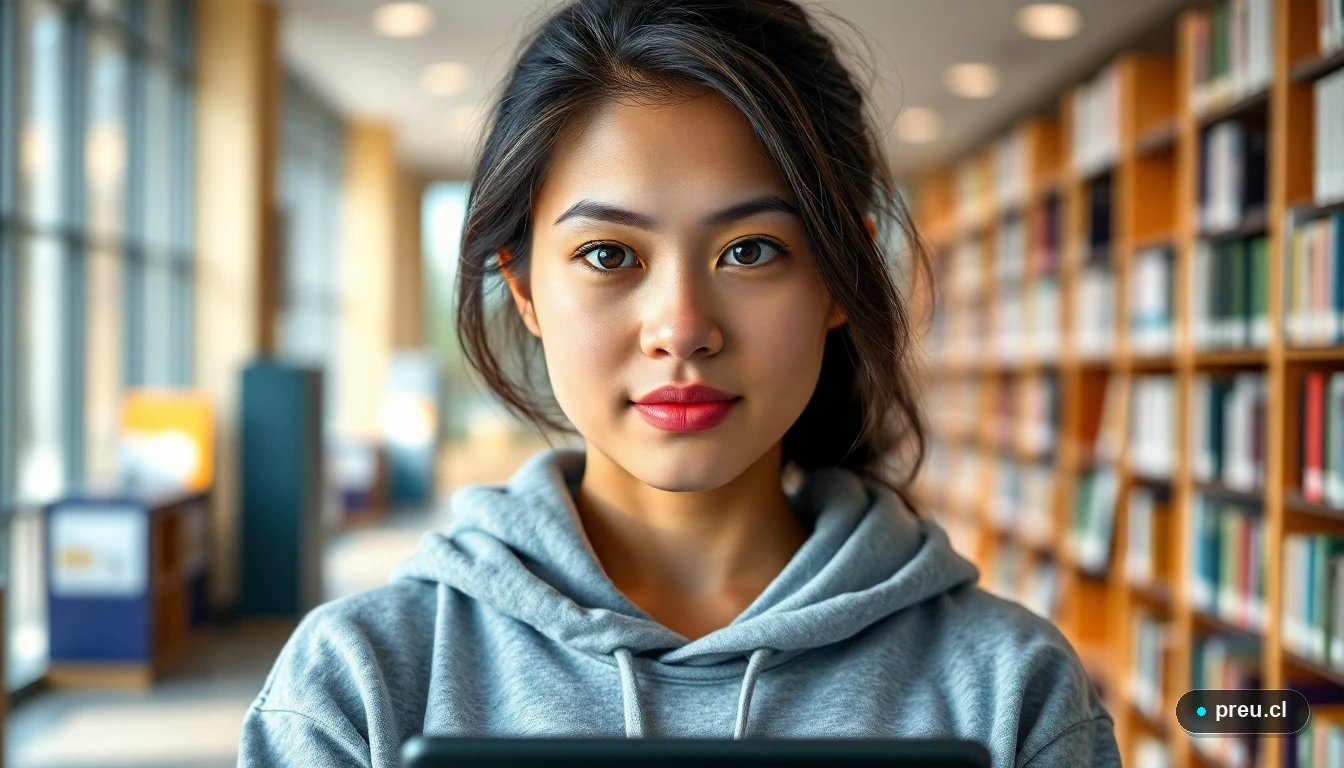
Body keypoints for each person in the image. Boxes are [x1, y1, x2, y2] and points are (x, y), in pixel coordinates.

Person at [238, 1, 1120, 766]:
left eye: (750, 250)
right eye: (607, 255)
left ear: (837, 279)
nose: (683, 327)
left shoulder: (1013, 692)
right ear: (525, 288)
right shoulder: (359, 684)